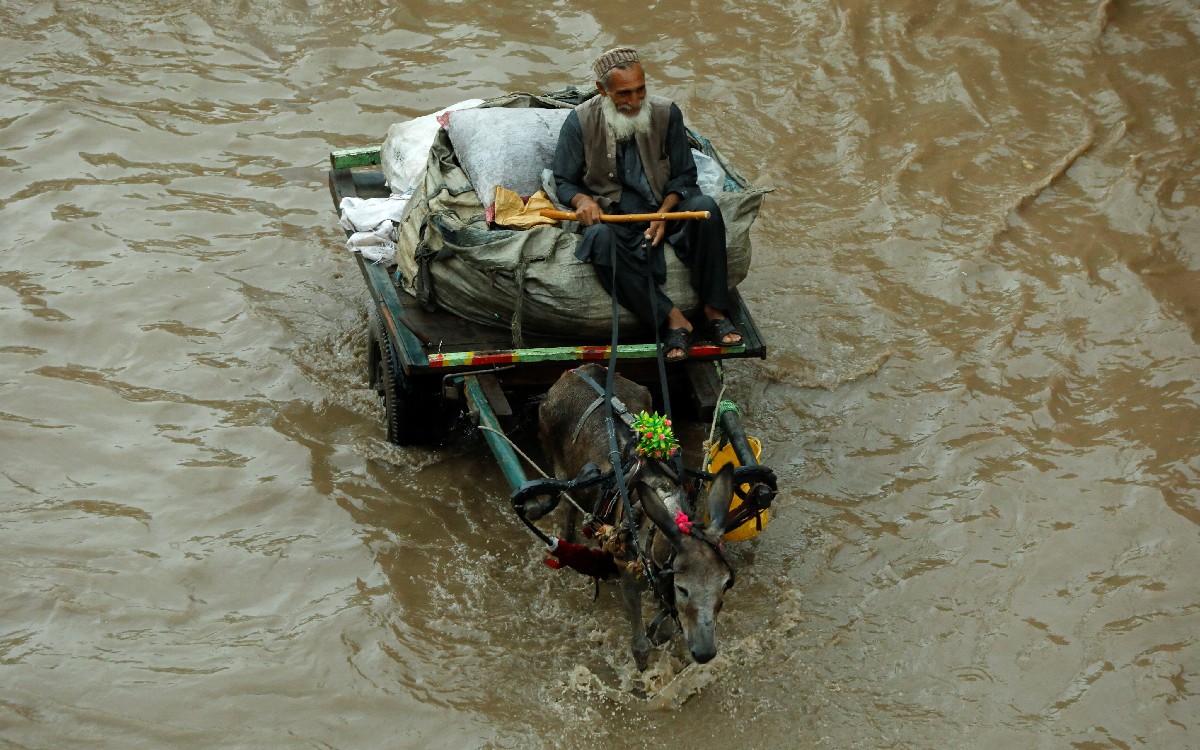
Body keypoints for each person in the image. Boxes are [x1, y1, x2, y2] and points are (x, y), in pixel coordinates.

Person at [552, 46, 743, 362]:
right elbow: (563, 182)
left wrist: (664, 215)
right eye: (624, 94)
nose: (635, 102)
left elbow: (684, 176)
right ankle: (672, 317)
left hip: (663, 209)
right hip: (616, 219)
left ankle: (714, 312)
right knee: (598, 240)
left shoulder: (667, 113)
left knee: (707, 208)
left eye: (641, 90)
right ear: (603, 90)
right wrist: (583, 199)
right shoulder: (580, 122)